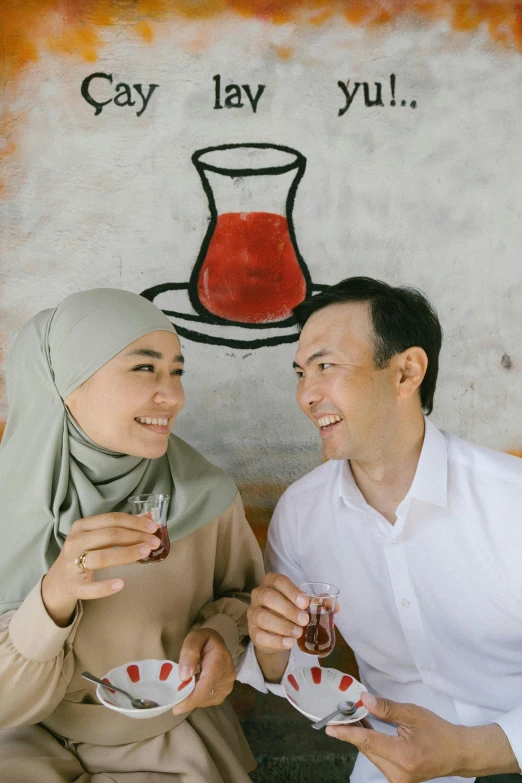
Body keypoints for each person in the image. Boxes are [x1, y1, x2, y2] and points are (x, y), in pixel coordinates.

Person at [238, 277, 522, 783]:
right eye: (301, 373)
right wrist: (270, 648)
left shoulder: (510, 498)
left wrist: (472, 751)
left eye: (326, 366)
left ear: (405, 372)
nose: (307, 394)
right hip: (392, 765)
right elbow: (303, 676)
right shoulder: (301, 515)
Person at [0, 288, 264, 782]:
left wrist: (222, 639)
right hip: (21, 739)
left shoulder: (204, 496)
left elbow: (245, 602)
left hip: (165, 741)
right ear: (66, 385)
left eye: (178, 371)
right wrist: (53, 598)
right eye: (145, 368)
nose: (174, 395)